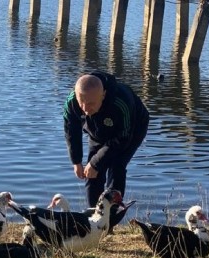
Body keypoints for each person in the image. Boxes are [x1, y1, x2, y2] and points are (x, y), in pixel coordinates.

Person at [63, 71, 150, 208]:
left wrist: (96, 162)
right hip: (97, 131)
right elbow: (71, 131)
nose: (85, 109)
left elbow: (123, 138)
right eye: (82, 103)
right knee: (91, 174)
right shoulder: (72, 101)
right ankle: (94, 221)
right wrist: (76, 161)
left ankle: (111, 217)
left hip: (131, 129)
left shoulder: (121, 102)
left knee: (116, 166)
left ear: (103, 95)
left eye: (91, 103)